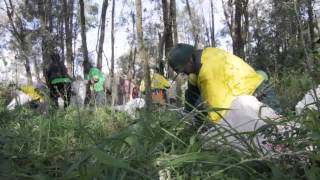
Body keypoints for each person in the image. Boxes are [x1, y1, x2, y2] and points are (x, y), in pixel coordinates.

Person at [168, 43, 282, 125]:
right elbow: (191, 95)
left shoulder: (208, 72)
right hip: (248, 94)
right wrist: (187, 117)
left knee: (278, 134)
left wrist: (203, 134)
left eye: (183, 69)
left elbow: (217, 116)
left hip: (259, 96)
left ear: (190, 60)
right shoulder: (206, 55)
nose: (183, 73)